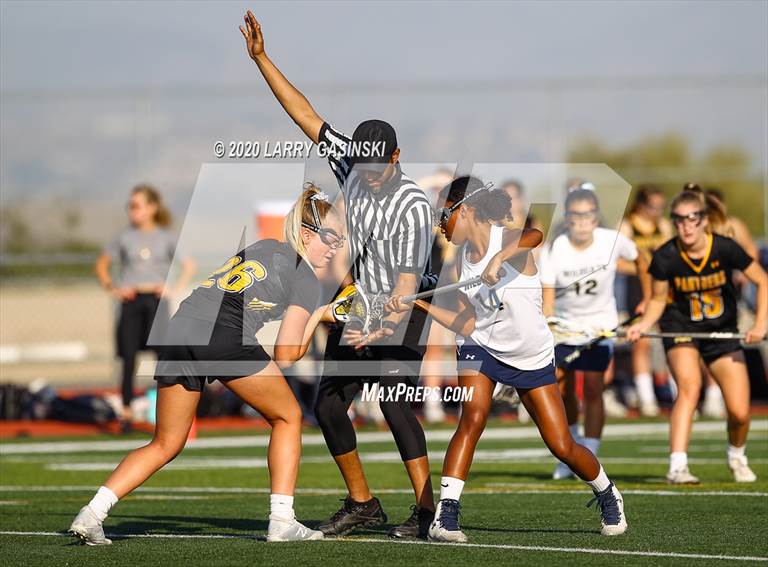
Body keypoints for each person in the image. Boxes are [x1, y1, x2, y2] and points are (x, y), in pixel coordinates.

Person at [241, 11, 438, 538]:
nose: (368, 176)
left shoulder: (413, 207)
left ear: (397, 157)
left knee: (394, 403)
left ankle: (427, 510)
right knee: (327, 405)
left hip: (407, 305)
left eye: (379, 167)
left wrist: (378, 323)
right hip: (363, 298)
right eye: (363, 166)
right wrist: (262, 60)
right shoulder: (353, 163)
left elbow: (404, 288)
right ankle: (363, 503)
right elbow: (305, 114)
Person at [70, 186, 345, 544]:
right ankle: (282, 520)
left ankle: (92, 513)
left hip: (180, 327)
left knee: (166, 442)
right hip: (221, 334)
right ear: (307, 234)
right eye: (331, 238)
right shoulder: (305, 277)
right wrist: (320, 315)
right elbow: (287, 354)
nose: (336, 247)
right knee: (288, 416)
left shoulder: (263, 247)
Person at [385, 176, 627, 542]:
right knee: (473, 416)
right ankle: (445, 515)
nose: (441, 226)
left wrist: (498, 258)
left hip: (530, 354)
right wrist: (421, 305)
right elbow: (467, 322)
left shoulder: (508, 239)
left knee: (561, 445)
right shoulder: (458, 261)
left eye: (444, 217)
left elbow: (535, 235)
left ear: (466, 210)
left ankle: (607, 493)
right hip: (480, 345)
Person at [627, 185, 767, 484]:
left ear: (704, 220)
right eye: (679, 220)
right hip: (681, 329)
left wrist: (760, 325)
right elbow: (657, 299)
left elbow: (762, 280)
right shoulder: (666, 256)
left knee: (740, 412)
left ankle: (737, 455)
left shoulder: (725, 247)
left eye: (692, 219)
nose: (686, 226)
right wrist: (643, 324)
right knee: (689, 388)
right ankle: (677, 466)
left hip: (722, 332)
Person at [540, 189, 650, 480]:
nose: (582, 222)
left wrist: (649, 298)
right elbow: (547, 299)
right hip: (565, 328)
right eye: (576, 216)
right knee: (562, 388)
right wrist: (547, 327)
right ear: (567, 218)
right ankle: (571, 451)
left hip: (601, 326)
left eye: (587, 215)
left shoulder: (611, 240)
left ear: (596, 217)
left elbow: (643, 260)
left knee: (592, 388)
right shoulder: (554, 249)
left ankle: (590, 454)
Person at [94, 184, 195, 433]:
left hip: (156, 302)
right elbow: (102, 264)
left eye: (137, 206)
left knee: (163, 358)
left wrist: (173, 288)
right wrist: (113, 288)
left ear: (152, 208)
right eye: (130, 206)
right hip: (131, 302)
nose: (132, 211)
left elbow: (189, 265)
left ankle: (162, 413)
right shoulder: (124, 237)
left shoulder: (166, 237)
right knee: (129, 358)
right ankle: (127, 414)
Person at [619, 185, 673, 416]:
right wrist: (645, 269)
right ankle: (646, 397)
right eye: (653, 206)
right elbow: (616, 262)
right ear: (640, 205)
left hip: (664, 290)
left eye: (661, 207)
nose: (657, 211)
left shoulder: (663, 225)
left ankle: (676, 394)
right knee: (642, 342)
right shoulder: (628, 226)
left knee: (672, 338)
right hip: (637, 291)